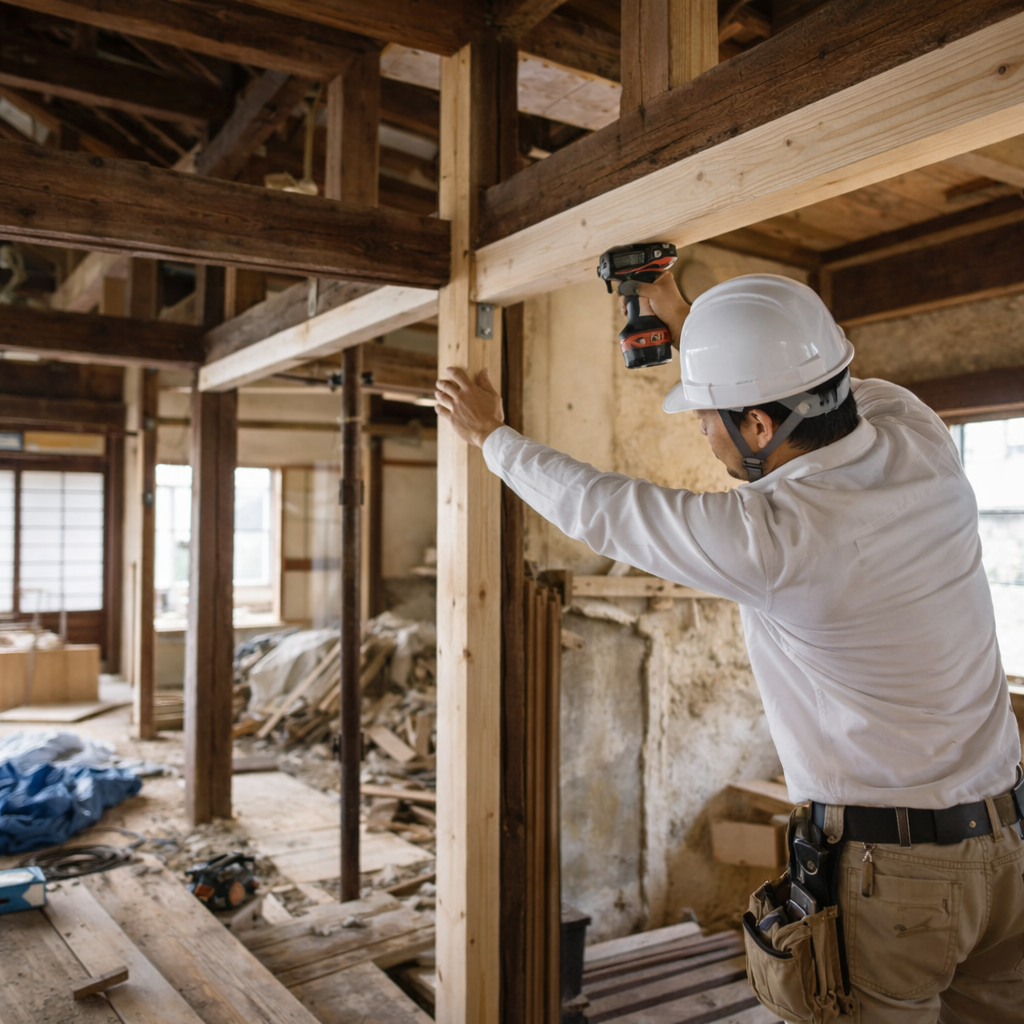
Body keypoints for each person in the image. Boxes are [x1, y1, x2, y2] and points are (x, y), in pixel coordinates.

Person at [434, 272, 1024, 1023]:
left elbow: (602, 508)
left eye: (705, 415)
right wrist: (695, 322)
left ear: (755, 427)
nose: (700, 431)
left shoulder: (774, 539)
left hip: (897, 883)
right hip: (1009, 855)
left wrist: (491, 435)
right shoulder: (921, 439)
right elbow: (826, 380)